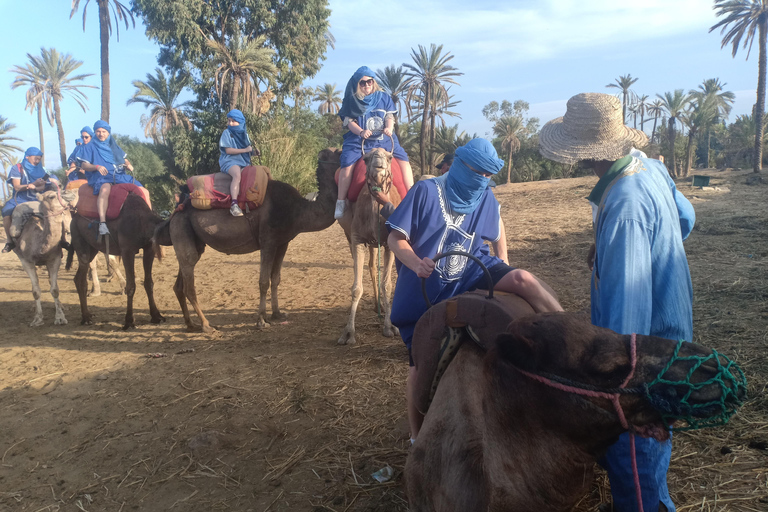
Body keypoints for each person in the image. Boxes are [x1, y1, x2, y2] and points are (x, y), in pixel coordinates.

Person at [539, 92, 695, 512]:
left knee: (636, 468)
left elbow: (626, 319)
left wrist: (610, 386)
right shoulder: (652, 167)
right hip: (671, 338)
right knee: (651, 464)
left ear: (587, 154)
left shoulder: (625, 204)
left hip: (639, 366)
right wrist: (630, 246)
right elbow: (686, 219)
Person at [385, 138, 563, 441]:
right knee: (419, 365)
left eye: (487, 175)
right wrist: (415, 263)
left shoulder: (485, 196)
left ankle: (566, 335)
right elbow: (395, 238)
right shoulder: (426, 191)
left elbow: (498, 223)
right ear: (459, 165)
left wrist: (503, 256)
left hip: (471, 269)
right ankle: (417, 437)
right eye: (477, 172)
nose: (481, 180)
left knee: (523, 280)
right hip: (425, 285)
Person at [335, 66, 414, 219]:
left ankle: (411, 195)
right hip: (359, 140)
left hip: (383, 139)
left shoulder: (383, 98)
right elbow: (349, 122)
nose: (367, 86)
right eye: (362, 83)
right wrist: (361, 131)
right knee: (347, 164)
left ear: (373, 81)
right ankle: (341, 201)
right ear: (357, 84)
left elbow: (389, 117)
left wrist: (389, 128)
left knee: (404, 160)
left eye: (369, 81)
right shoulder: (352, 101)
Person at [77, 120, 141, 236]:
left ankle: (146, 220)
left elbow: (124, 159)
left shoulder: (113, 145)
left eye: (104, 131)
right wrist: (96, 166)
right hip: (101, 177)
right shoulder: (90, 147)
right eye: (98, 131)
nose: (101, 134)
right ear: (95, 132)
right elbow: (84, 165)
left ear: (108, 133)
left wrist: (128, 165)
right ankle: (103, 223)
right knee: (105, 189)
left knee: (140, 189)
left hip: (119, 175)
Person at [2, 147, 58, 253]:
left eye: (39, 159)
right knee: (6, 213)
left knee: (57, 212)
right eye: (35, 158)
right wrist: (32, 184)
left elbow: (43, 187)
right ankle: (10, 242)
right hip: (20, 198)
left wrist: (39, 186)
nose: (37, 161)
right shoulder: (17, 168)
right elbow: (17, 187)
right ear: (27, 157)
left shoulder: (43, 171)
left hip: (38, 199)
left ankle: (62, 241)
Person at [219, 109, 260, 217]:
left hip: (243, 161)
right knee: (237, 174)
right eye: (229, 121)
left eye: (233, 121)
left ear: (240, 122)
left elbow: (248, 151)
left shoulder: (244, 135)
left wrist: (254, 152)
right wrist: (246, 150)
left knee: (252, 175)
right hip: (229, 160)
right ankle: (234, 205)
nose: (230, 123)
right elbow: (228, 150)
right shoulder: (226, 133)